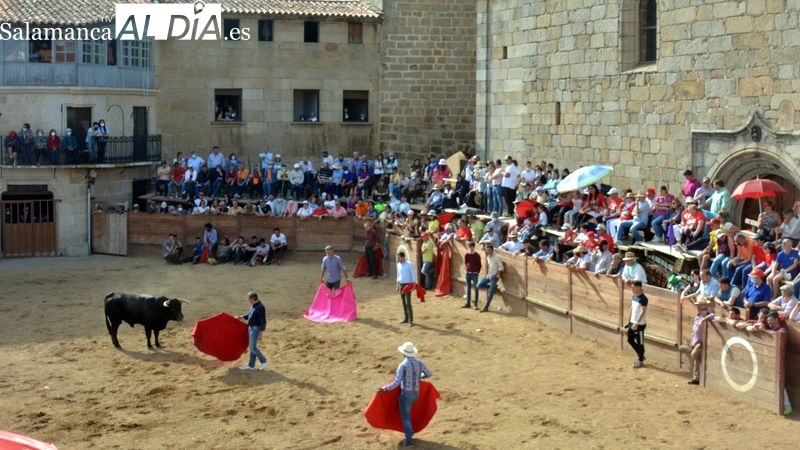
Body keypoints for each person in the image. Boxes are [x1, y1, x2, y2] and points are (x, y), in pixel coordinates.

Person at [378, 342, 432, 448]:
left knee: (405, 416)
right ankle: (409, 431)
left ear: (403, 353)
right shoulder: (419, 363)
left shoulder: (403, 365)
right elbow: (429, 373)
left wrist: (384, 389)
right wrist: (418, 377)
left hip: (406, 394)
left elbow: (397, 382)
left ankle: (409, 441)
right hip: (416, 393)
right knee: (408, 413)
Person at [236, 292, 268, 370]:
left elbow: (263, 321)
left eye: (249, 299)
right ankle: (251, 365)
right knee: (252, 347)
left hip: (256, 329)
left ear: (252, 299)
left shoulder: (260, 307)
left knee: (253, 347)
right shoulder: (254, 306)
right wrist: (240, 317)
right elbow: (249, 315)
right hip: (251, 328)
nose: (249, 301)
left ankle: (264, 361)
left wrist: (261, 332)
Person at [688, 296, 715, 385]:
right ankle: (696, 378)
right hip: (695, 340)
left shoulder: (706, 314)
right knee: (696, 360)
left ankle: (699, 377)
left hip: (700, 341)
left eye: (698, 305)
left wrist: (704, 319)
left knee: (694, 355)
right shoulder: (698, 315)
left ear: (703, 305)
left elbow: (713, 315)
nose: (697, 306)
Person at [475, 244, 504, 312]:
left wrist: (496, 274)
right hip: (489, 275)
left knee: (491, 292)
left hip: (495, 277)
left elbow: (502, 268)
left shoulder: (497, 257)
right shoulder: (488, 257)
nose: (487, 251)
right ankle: (493, 287)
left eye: (489, 250)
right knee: (478, 285)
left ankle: (486, 307)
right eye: (487, 250)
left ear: (492, 250)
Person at [627, 280, 649, 368]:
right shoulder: (634, 296)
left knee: (640, 342)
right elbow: (632, 308)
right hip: (632, 322)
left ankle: (640, 360)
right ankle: (641, 355)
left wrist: (637, 322)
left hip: (640, 324)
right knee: (630, 339)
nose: (632, 289)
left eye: (633, 287)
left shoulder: (644, 298)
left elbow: (642, 311)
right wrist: (629, 319)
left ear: (639, 287)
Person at [396, 251, 417, 327]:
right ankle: (406, 318)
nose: (398, 259)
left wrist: (413, 285)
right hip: (401, 284)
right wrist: (397, 285)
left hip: (408, 285)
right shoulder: (398, 265)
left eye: (399, 257)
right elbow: (398, 275)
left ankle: (410, 320)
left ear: (403, 257)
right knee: (403, 302)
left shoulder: (409, 264)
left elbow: (413, 275)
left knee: (408, 302)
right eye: (398, 257)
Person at [462, 241, 482, 309]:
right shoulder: (467, 255)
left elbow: (479, 265)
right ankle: (468, 303)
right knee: (468, 288)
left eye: (471, 247)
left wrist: (477, 272)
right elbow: (466, 262)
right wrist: (468, 269)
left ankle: (475, 304)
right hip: (468, 273)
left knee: (476, 288)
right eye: (469, 247)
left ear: (473, 247)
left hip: (474, 274)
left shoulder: (477, 255)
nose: (470, 248)